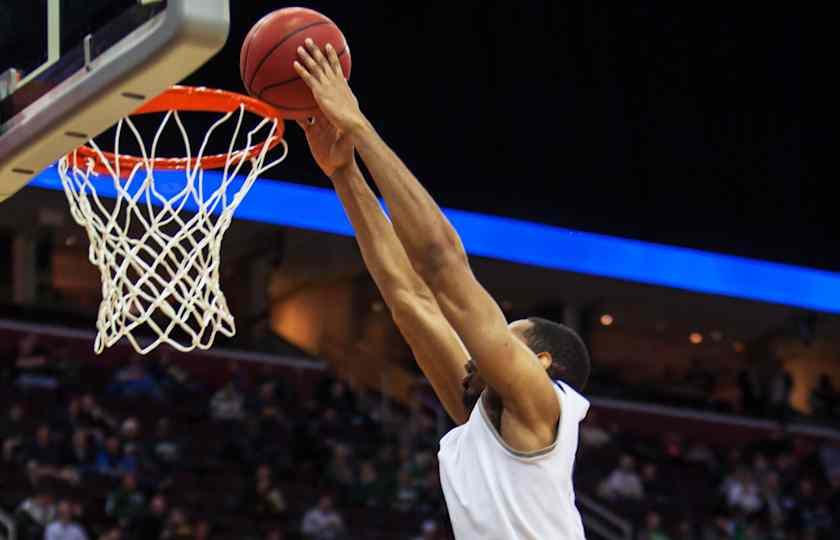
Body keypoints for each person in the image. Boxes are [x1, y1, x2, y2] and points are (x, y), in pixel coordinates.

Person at [294, 39, 591, 539]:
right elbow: (410, 300)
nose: (479, 348)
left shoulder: (541, 406)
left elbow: (442, 264)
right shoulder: (484, 419)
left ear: (541, 364)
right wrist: (344, 173)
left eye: (506, 335)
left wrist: (359, 126)